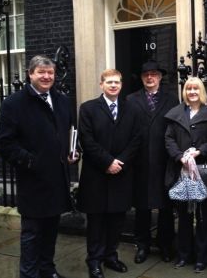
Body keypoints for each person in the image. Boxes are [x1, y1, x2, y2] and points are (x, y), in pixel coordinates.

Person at [0, 55, 78, 278]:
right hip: (32, 180)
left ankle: (47, 269)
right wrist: (31, 161)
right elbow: (4, 143)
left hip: (57, 179)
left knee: (51, 230)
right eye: (41, 72)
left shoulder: (61, 100)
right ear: (30, 74)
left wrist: (72, 152)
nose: (46, 76)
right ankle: (29, 274)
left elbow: (69, 132)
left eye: (50, 73)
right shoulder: (13, 103)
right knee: (32, 234)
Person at [76, 69, 141, 278]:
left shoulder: (131, 109)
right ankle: (94, 260)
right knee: (96, 221)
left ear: (121, 85)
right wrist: (108, 162)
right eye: (109, 82)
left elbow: (137, 139)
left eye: (117, 82)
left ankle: (111, 256)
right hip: (96, 174)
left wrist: (119, 162)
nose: (113, 86)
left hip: (121, 174)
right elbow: (86, 140)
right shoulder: (87, 109)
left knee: (116, 220)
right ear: (101, 84)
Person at [164, 77, 207, 273]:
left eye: (196, 88)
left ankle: (202, 258)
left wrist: (199, 151)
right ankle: (183, 255)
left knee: (203, 217)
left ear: (202, 91)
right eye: (189, 88)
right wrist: (179, 156)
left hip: (202, 172)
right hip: (180, 172)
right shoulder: (176, 113)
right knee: (184, 216)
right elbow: (169, 139)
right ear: (185, 92)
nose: (192, 92)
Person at [126, 60, 179, 264]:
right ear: (141, 78)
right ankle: (142, 245)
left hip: (165, 161)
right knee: (142, 207)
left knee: (166, 207)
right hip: (139, 162)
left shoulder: (172, 99)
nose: (150, 77)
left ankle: (165, 244)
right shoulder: (131, 100)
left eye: (154, 74)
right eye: (146, 74)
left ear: (159, 77)